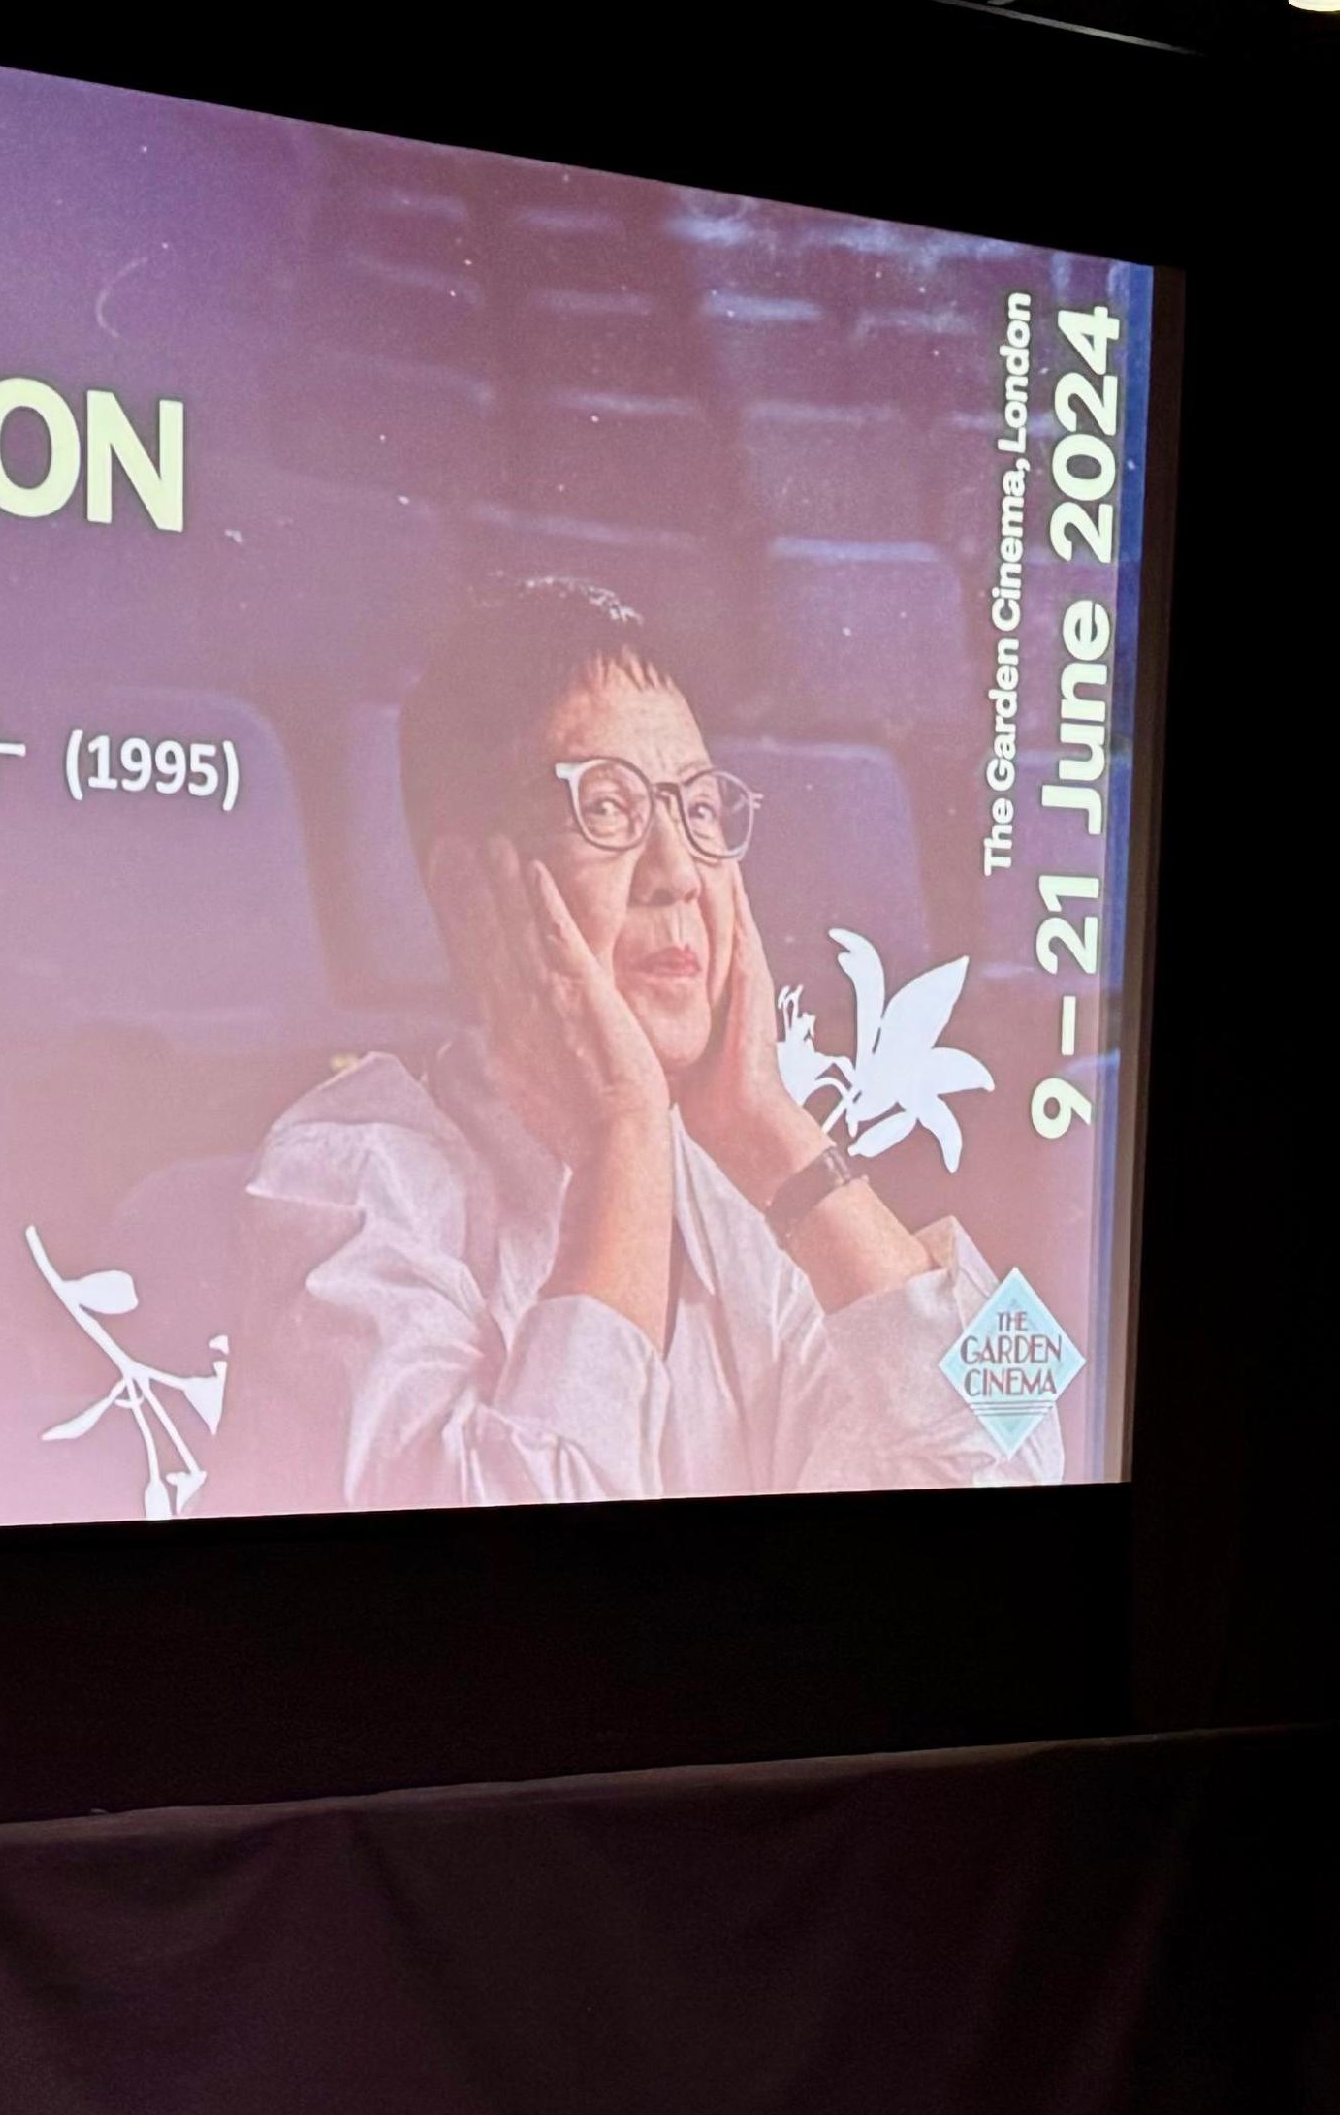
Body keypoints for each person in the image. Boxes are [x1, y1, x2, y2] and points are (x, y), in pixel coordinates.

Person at [228, 576, 1057, 1505]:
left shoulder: (754, 1184)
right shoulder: (340, 1173)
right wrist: (622, 1137)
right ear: (470, 893)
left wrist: (772, 1133)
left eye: (698, 811)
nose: (678, 874)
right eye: (611, 808)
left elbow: (1033, 1437)